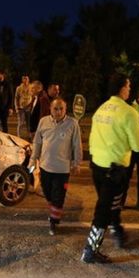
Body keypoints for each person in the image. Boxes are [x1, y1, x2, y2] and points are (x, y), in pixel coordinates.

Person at [81, 73, 139, 264]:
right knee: (103, 210)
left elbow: (93, 137)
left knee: (111, 204)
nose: (130, 89)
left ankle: (116, 229)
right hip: (115, 170)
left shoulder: (101, 109)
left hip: (97, 167)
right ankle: (90, 250)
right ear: (122, 88)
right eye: (128, 86)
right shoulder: (128, 112)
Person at [28, 98, 82, 235]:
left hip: (62, 169)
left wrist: (76, 163)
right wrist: (33, 159)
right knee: (48, 194)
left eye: (61, 109)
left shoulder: (72, 124)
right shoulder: (43, 121)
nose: (58, 112)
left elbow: (77, 145)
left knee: (58, 196)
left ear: (65, 109)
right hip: (45, 167)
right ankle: (55, 209)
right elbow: (37, 142)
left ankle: (53, 221)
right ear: (50, 109)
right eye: (55, 109)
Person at [14, 75, 33, 140]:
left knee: (29, 123)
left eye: (26, 79)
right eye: (24, 79)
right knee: (21, 123)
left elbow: (33, 97)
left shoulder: (31, 87)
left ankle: (29, 136)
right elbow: (16, 98)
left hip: (29, 108)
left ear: (28, 79)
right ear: (22, 80)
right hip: (21, 108)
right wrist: (16, 107)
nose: (25, 80)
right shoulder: (19, 88)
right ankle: (19, 136)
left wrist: (32, 106)